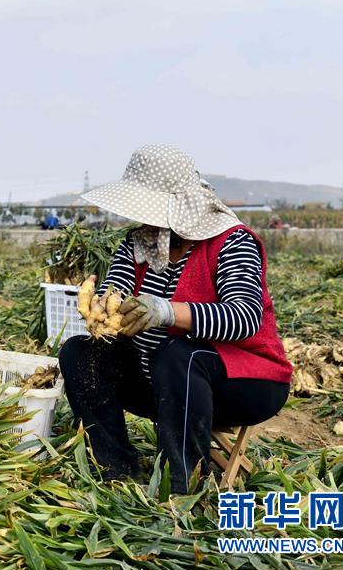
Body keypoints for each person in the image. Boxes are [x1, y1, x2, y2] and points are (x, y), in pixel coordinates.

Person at [59, 144, 292, 495]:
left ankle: (186, 487)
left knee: (178, 353)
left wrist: (166, 311)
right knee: (80, 352)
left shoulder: (231, 242)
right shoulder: (138, 242)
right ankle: (117, 468)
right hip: (162, 382)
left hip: (244, 381)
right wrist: (104, 307)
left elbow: (244, 316)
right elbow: (117, 287)